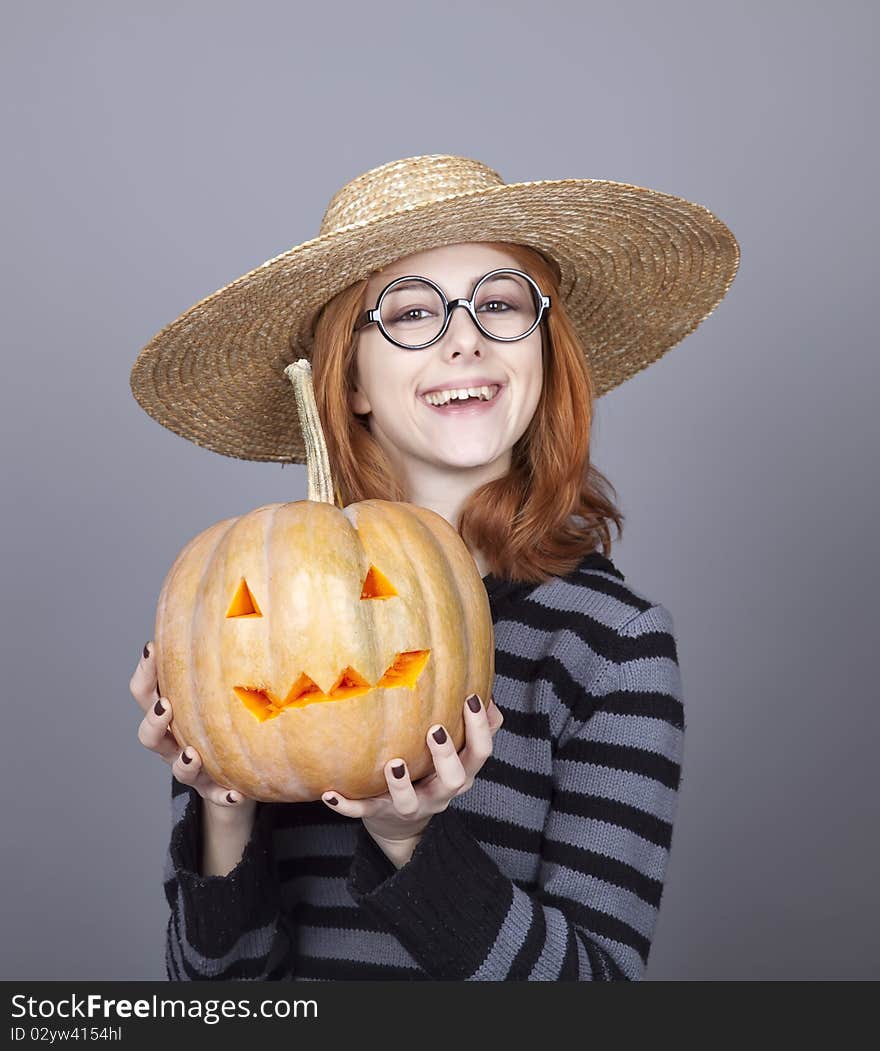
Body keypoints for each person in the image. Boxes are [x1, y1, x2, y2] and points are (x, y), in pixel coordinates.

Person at [128, 154, 739, 980]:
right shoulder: (252, 617)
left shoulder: (612, 645)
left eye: (499, 304)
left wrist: (411, 842)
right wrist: (222, 800)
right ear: (348, 381)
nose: (466, 338)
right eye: (412, 313)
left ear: (544, 355)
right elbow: (213, 997)